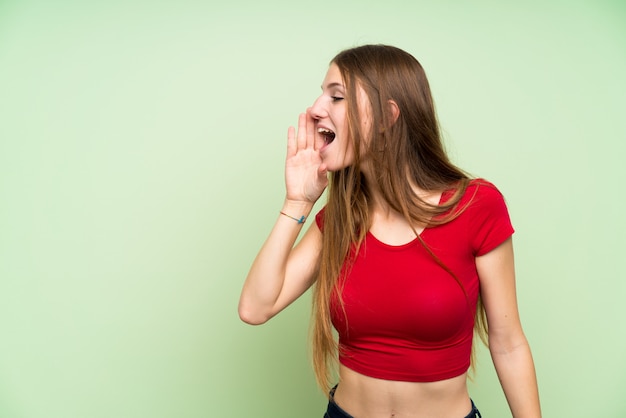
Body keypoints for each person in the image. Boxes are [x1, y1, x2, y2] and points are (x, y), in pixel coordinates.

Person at [239, 44, 541, 418]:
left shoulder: (476, 206)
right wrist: (298, 203)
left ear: (386, 116)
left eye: (336, 96)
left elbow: (508, 344)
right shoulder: (340, 219)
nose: (316, 108)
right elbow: (255, 307)